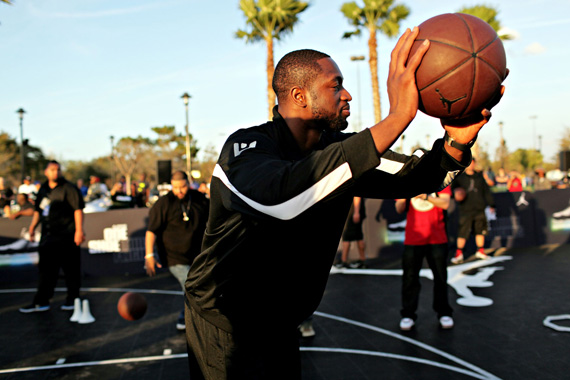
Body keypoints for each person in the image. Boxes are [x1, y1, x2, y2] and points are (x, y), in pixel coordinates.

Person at [185, 27, 504, 380]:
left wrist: (456, 142)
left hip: (282, 322)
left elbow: (417, 177)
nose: (347, 94)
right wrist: (398, 116)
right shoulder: (246, 151)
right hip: (226, 323)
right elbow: (284, 199)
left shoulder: (337, 150)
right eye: (335, 86)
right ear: (300, 96)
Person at [145, 170, 209, 331]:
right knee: (191, 285)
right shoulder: (163, 203)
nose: (179, 191)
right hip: (174, 256)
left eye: (182, 187)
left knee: (200, 287)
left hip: (198, 255)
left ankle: (189, 317)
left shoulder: (199, 199)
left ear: (188, 184)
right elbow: (151, 231)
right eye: (175, 187)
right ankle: (185, 318)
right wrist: (149, 255)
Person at [19, 160, 85, 313]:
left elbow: (78, 210)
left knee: (71, 270)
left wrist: (79, 231)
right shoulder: (43, 189)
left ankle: (73, 300)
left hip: (67, 236)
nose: (56, 172)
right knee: (46, 271)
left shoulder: (69, 188)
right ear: (46, 172)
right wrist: (32, 227)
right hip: (48, 237)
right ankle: (42, 302)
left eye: (58, 169)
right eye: (53, 170)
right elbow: (38, 211)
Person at [395, 187, 454, 331]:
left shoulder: (440, 179)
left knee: (440, 277)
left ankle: (443, 312)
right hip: (413, 238)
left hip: (437, 237)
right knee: (410, 278)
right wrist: (403, 197)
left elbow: (445, 203)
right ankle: (408, 314)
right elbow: (399, 208)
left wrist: (426, 197)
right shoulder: (409, 180)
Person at [450, 158, 496, 264]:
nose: (471, 165)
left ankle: (480, 251)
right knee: (463, 232)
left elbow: (486, 191)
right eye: (469, 163)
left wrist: (491, 204)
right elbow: (453, 191)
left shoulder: (479, 177)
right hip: (465, 209)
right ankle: (459, 253)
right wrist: (456, 195)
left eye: (473, 163)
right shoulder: (460, 177)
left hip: (479, 208)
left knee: (480, 230)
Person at [336, 196, 367, 268]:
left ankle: (343, 261)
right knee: (358, 235)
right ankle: (362, 261)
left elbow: (357, 196)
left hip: (354, 211)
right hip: (356, 211)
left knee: (346, 236)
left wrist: (356, 212)